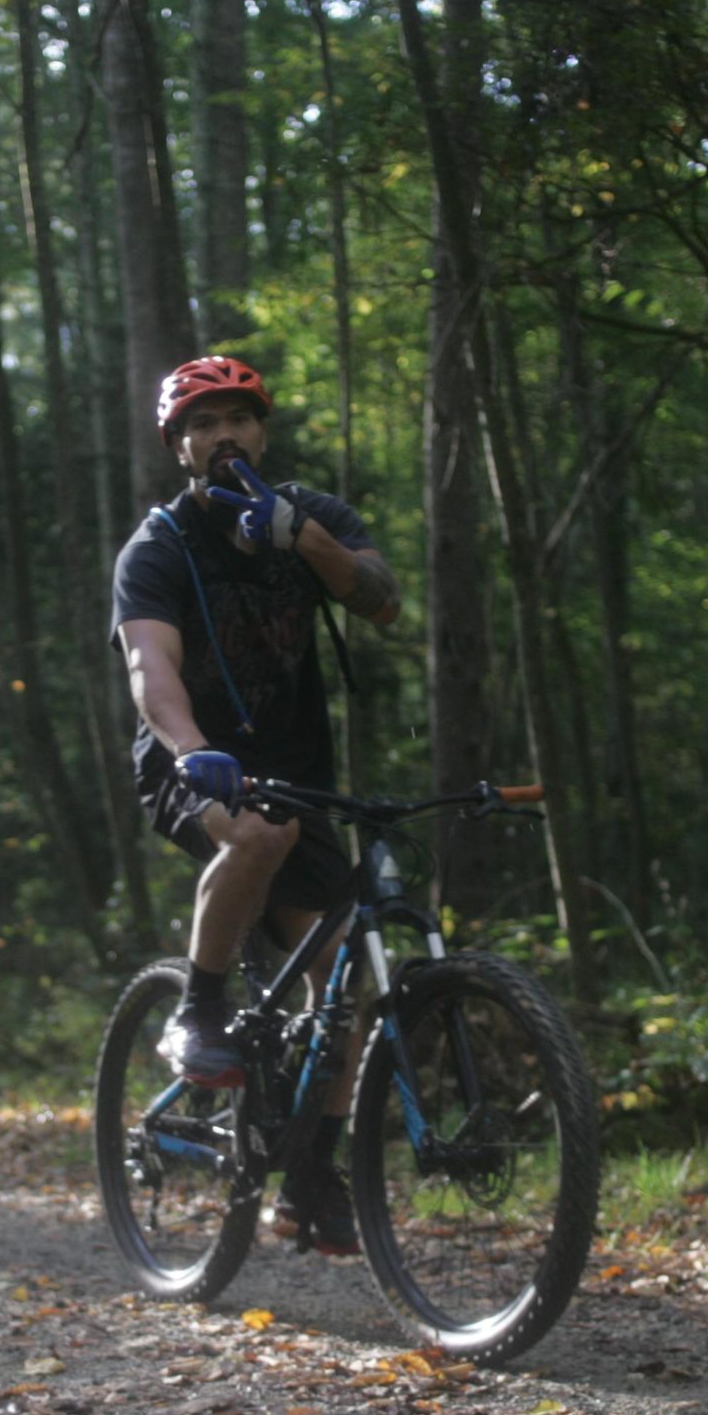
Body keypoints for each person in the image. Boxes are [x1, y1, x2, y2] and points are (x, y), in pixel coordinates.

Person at [109, 356, 401, 1254]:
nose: (222, 434)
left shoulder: (311, 516)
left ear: (262, 433)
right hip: (192, 761)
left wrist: (299, 538)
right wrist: (195, 753)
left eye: (237, 418)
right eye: (202, 423)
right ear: (179, 446)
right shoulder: (158, 547)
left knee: (339, 978)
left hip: (298, 770)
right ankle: (196, 1007)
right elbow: (148, 670)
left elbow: (381, 600)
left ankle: (309, 1178)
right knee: (259, 832)